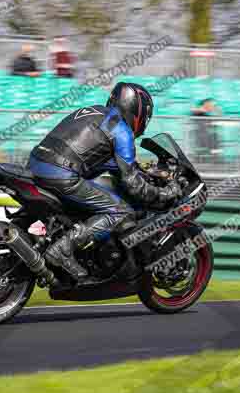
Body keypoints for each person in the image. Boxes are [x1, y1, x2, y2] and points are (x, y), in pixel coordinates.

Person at [27, 82, 183, 282]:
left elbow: (98, 157)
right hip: (61, 173)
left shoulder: (91, 111)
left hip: (35, 164)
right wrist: (164, 194)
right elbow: (133, 185)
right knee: (121, 211)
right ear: (138, 110)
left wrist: (143, 170)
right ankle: (63, 249)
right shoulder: (121, 129)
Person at [190, 98, 221, 164]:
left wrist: (217, 113)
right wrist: (205, 109)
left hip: (206, 137)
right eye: (212, 105)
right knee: (213, 137)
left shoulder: (207, 115)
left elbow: (213, 123)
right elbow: (194, 111)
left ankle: (215, 158)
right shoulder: (197, 111)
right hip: (198, 137)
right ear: (206, 104)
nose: (213, 107)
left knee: (215, 136)